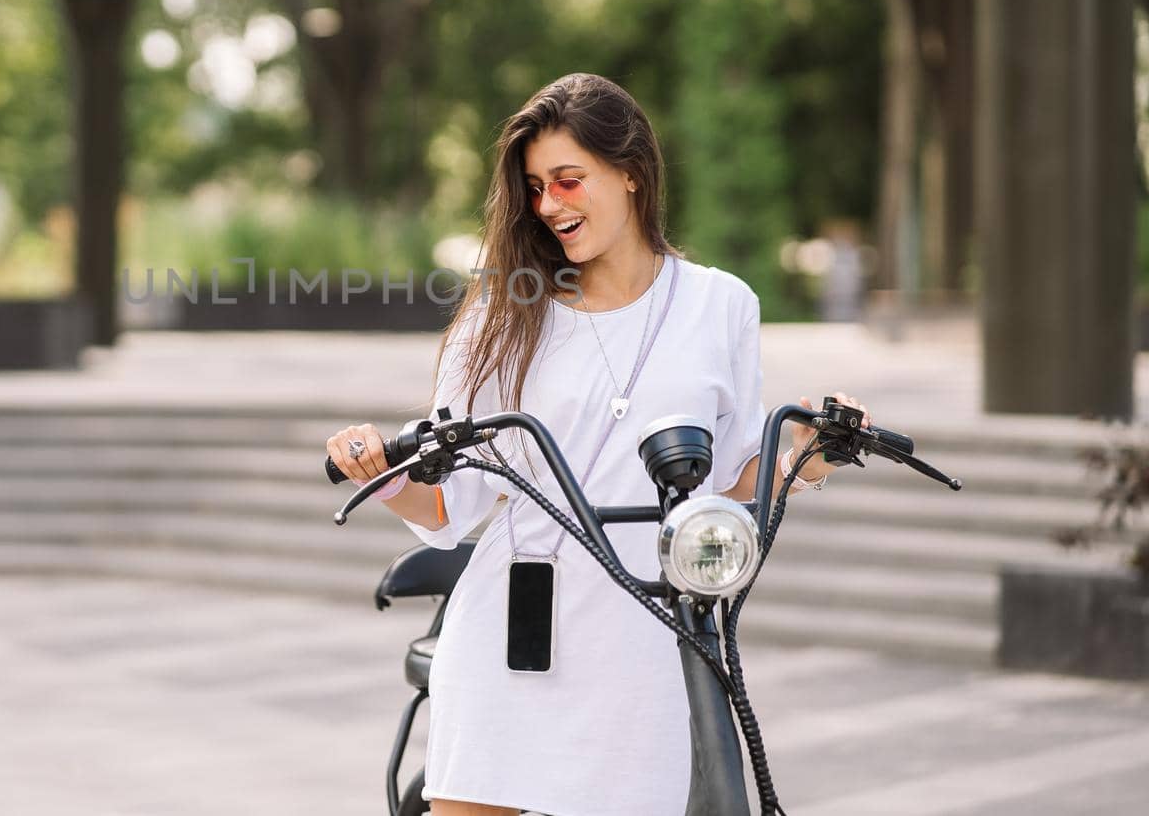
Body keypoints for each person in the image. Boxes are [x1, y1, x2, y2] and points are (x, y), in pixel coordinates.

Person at [325, 73, 872, 816]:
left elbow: (730, 482)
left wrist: (804, 451)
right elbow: (454, 502)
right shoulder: (504, 313)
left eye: (568, 180)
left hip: (647, 637)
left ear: (632, 174)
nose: (549, 205)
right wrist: (381, 472)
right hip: (512, 628)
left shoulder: (721, 305)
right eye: (536, 188)